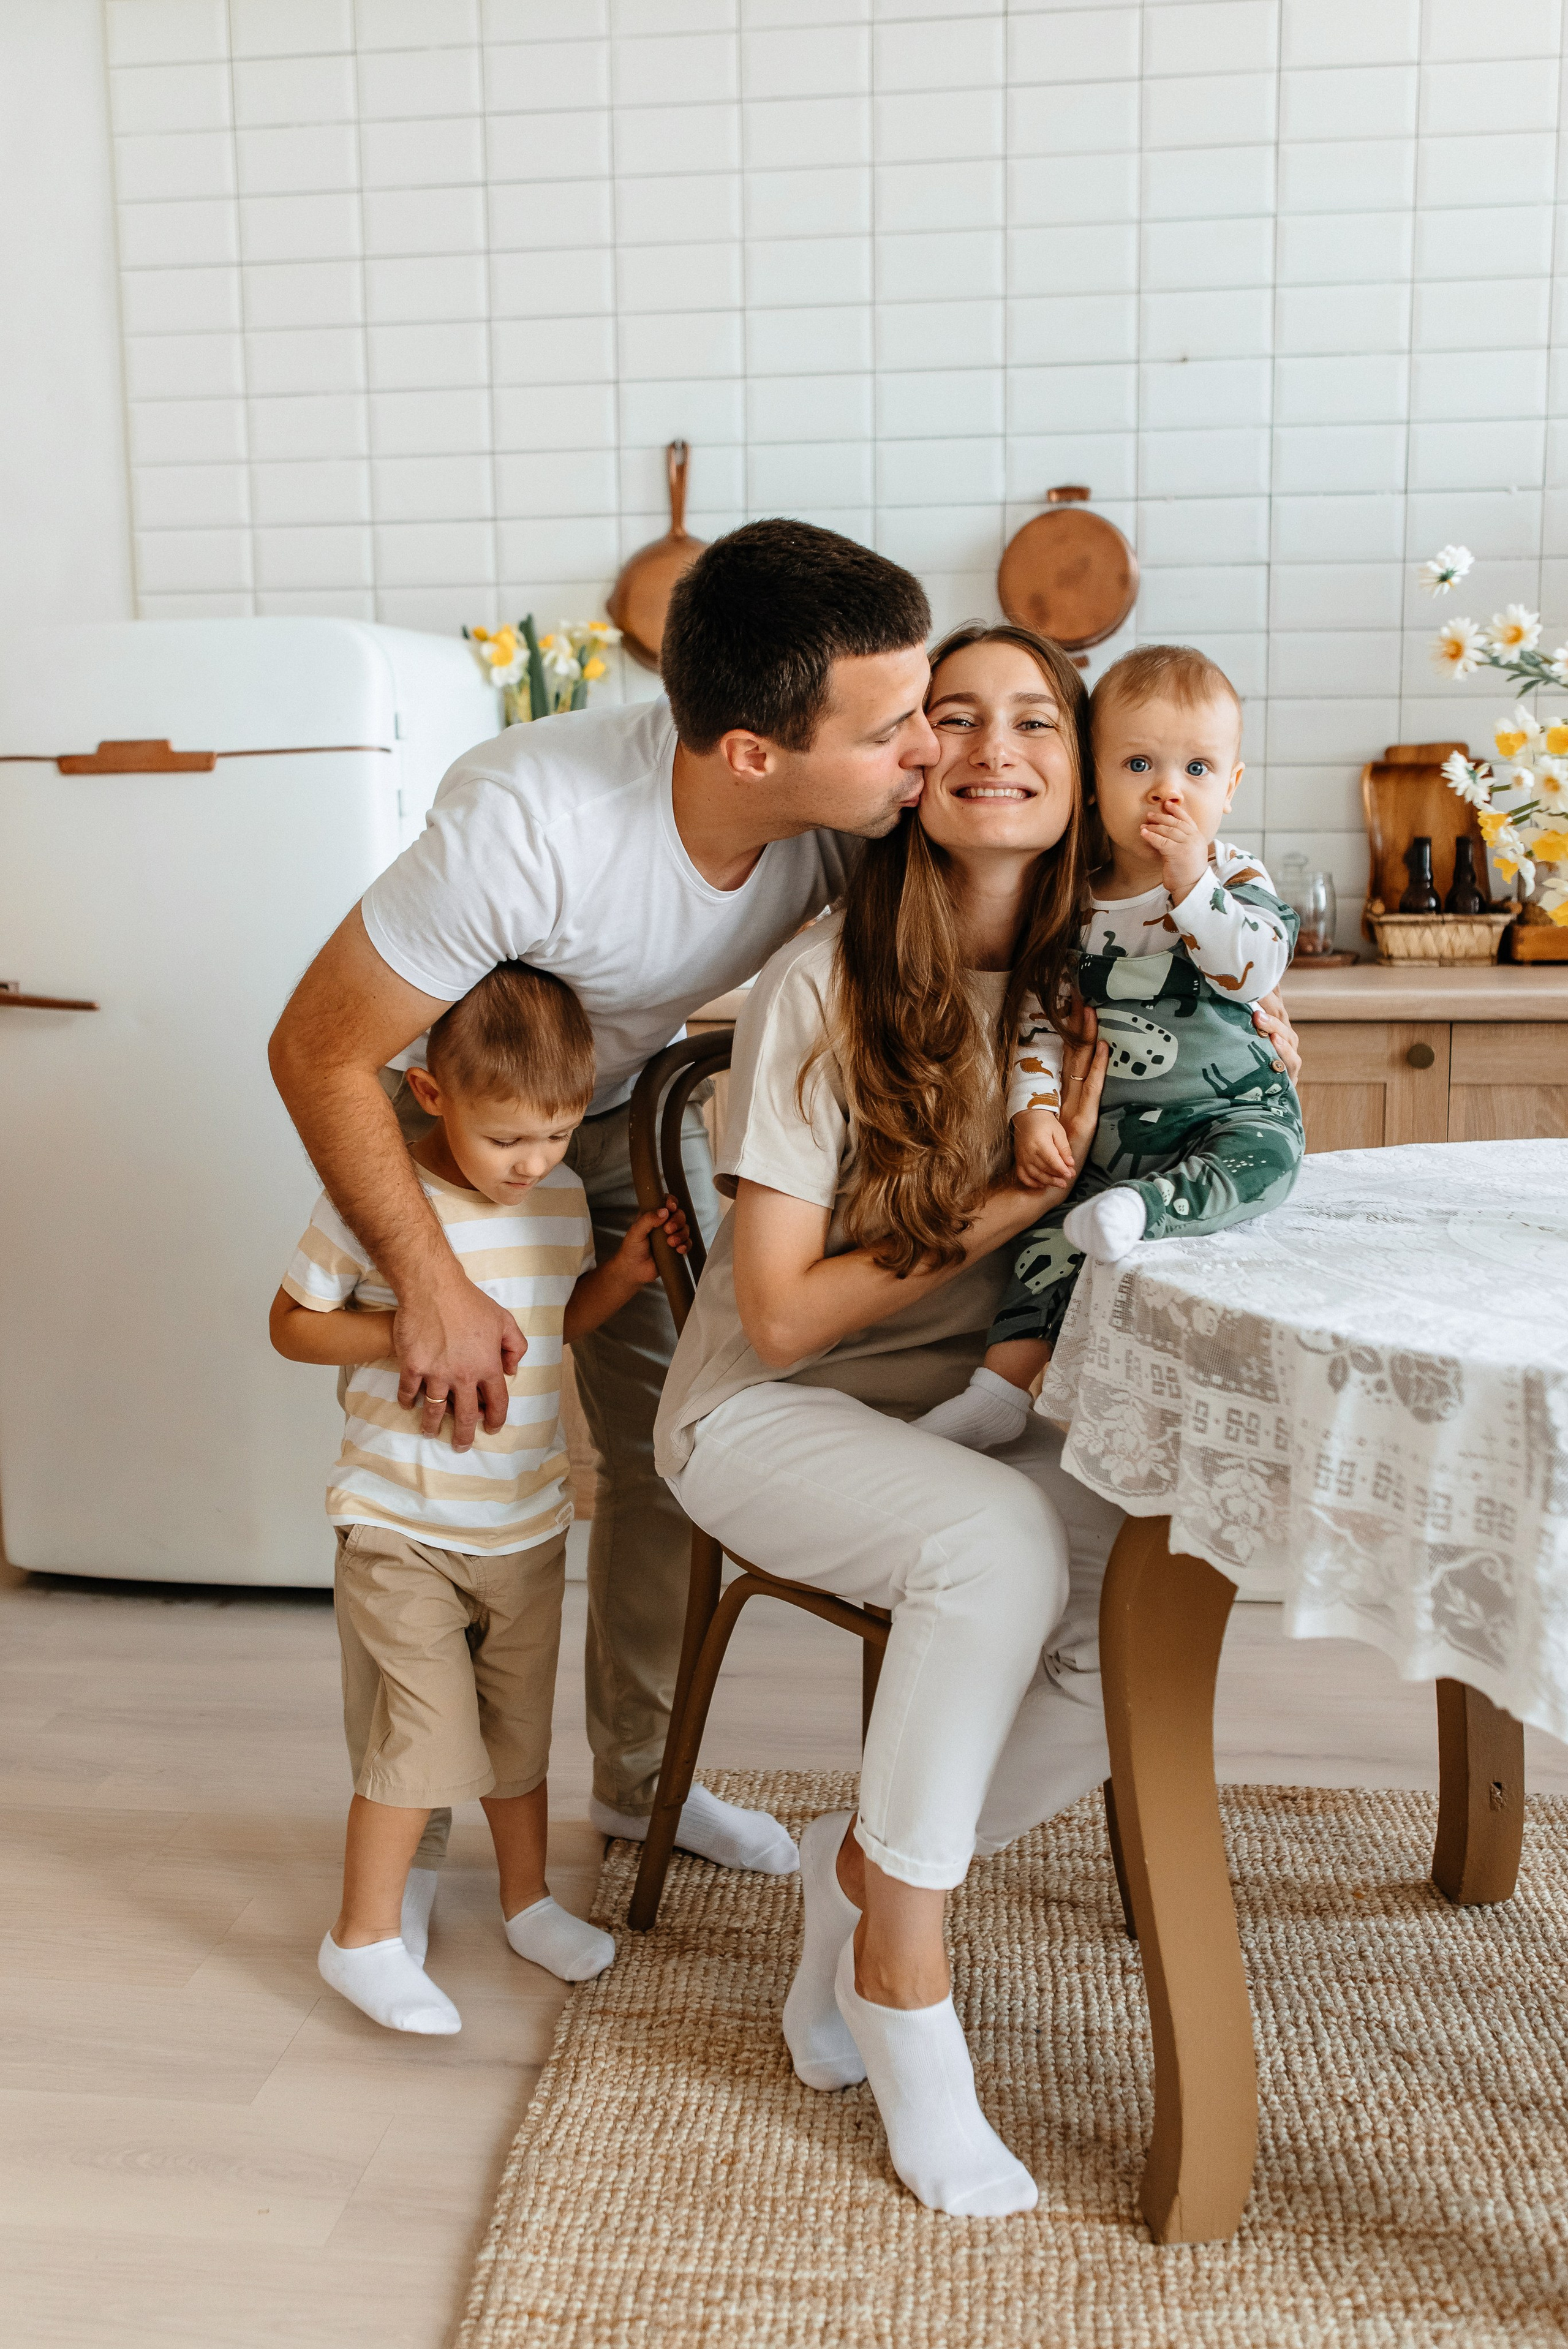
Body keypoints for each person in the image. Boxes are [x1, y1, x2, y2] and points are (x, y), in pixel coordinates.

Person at [268, 517, 1304, 1912]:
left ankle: (641, 1783)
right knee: (453, 1461)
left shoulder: (857, 823)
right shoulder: (532, 827)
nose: (937, 753)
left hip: (630, 1118)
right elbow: (322, 1050)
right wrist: (433, 1279)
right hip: (484, 1125)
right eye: (906, 727)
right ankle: (419, 1824)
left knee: (641, 1459)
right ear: (763, 755)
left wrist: (1230, 1005)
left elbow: (1027, 896)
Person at [655, 624, 1127, 2217]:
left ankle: (854, 1884)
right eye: (956, 718)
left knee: (1156, 1570)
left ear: (1077, 766)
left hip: (968, 1408)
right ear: (912, 766)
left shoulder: (1107, 989)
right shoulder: (821, 984)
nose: (997, 746)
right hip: (770, 1409)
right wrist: (1007, 1194)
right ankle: (907, 1993)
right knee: (994, 1544)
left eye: (1037, 721)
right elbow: (779, 1313)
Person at [270, 963, 689, 2034]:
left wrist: (623, 1277)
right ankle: (359, 1936)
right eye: (508, 1139)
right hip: (400, 1519)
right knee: (420, 1729)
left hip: (526, 1522)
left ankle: (526, 1901)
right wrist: (403, 1331)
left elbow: (553, 1323)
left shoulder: (553, 1198)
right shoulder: (374, 1207)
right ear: (430, 1093)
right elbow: (292, 1325)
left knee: (514, 1738)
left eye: (554, 1135)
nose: (533, 1162)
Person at [919, 642, 1305, 1452]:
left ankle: (1152, 1211)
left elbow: (1251, 968)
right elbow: (1037, 1018)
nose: (1170, 789)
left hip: (1229, 1116)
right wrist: (1034, 1113)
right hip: (1112, 1140)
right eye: (1140, 763)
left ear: (1231, 789)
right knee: (1046, 1241)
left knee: (1267, 1162)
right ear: (1095, 785)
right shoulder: (1071, 902)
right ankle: (998, 1390)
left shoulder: (1235, 879)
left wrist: (1189, 880)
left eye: (1199, 770)